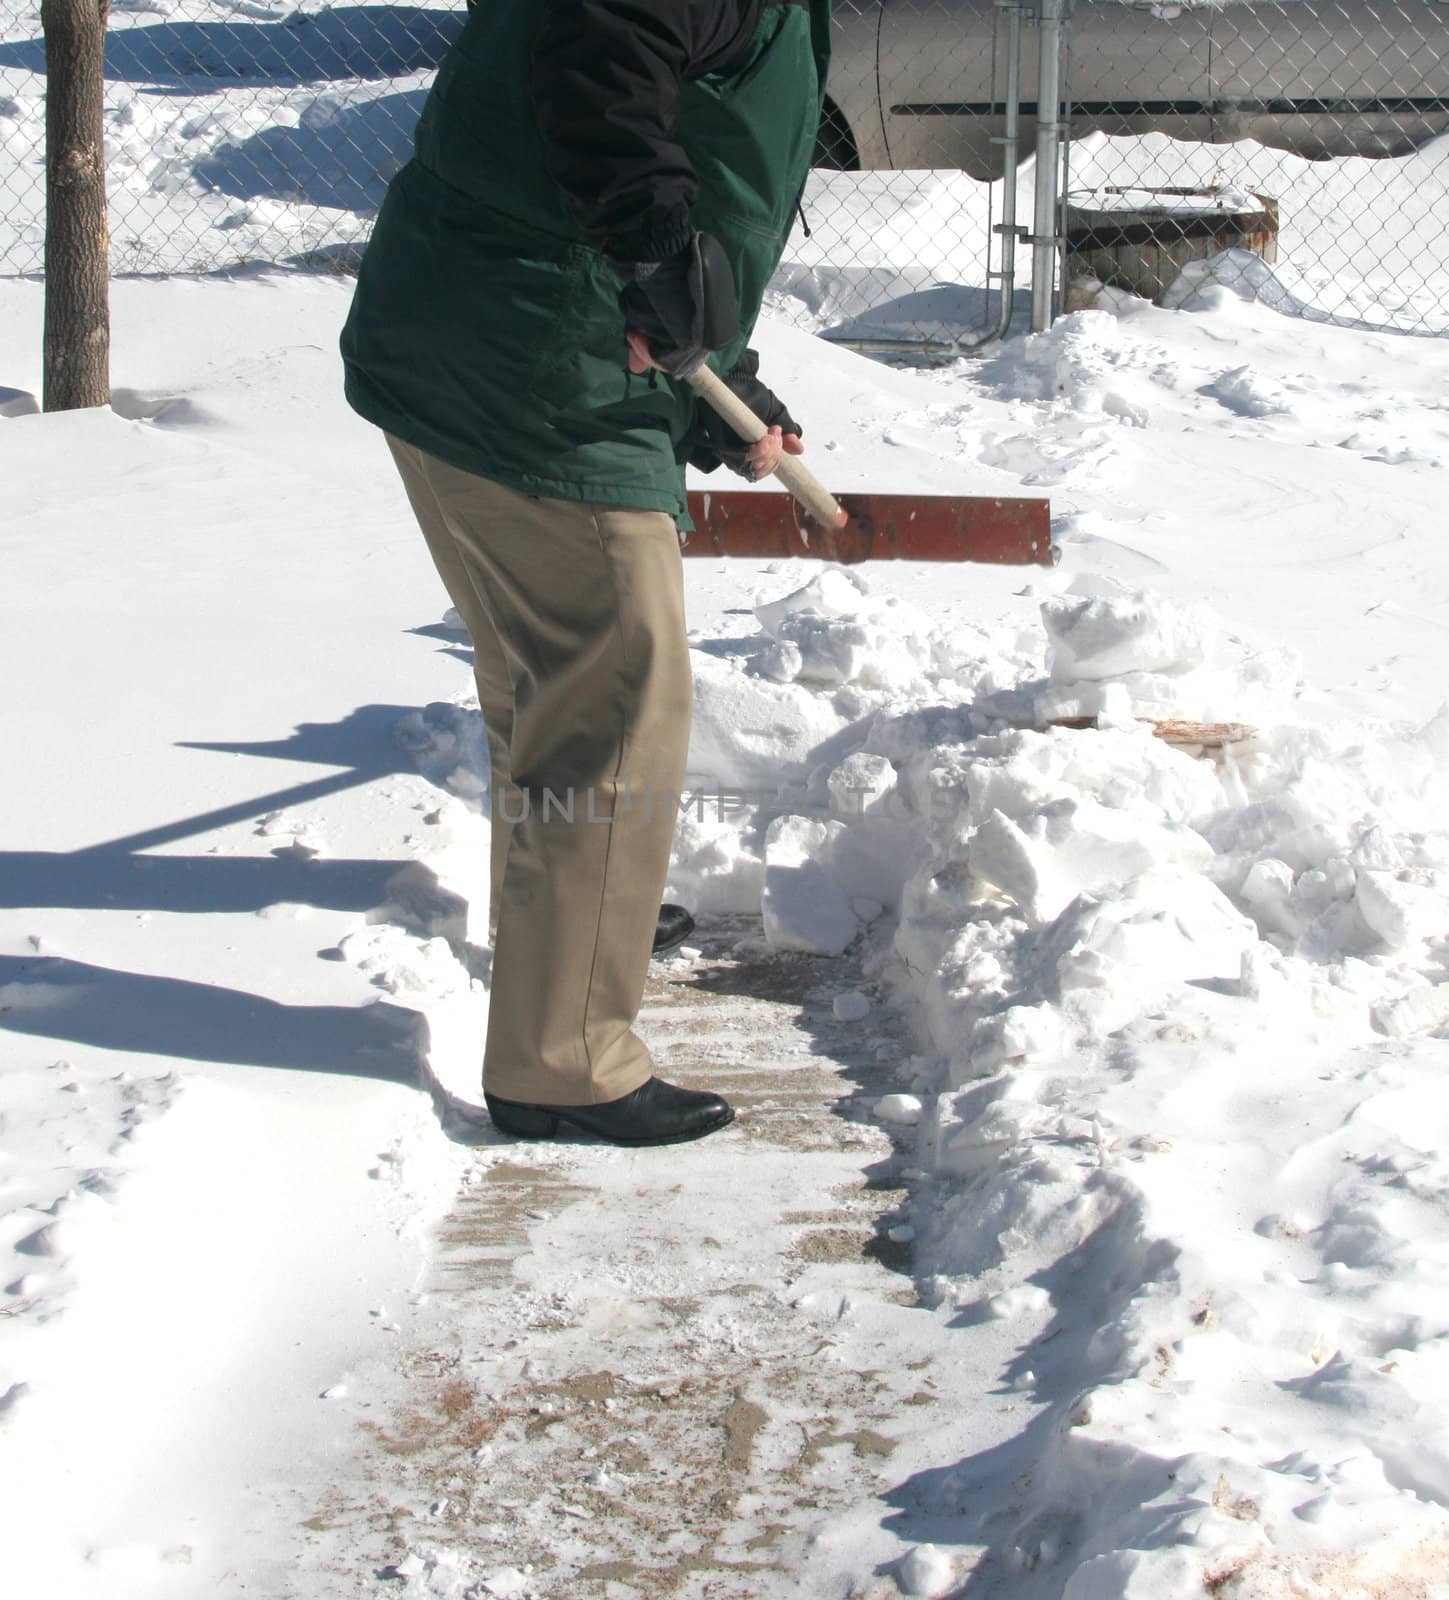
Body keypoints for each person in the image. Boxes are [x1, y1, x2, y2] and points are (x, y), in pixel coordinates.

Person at [340, 0, 830, 1146]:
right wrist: (660, 258)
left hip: (470, 328)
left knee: (546, 679)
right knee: (614, 690)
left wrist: (719, 373)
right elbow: (608, 48)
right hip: (540, 366)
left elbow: (666, 141)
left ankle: (572, 923)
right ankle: (565, 1061)